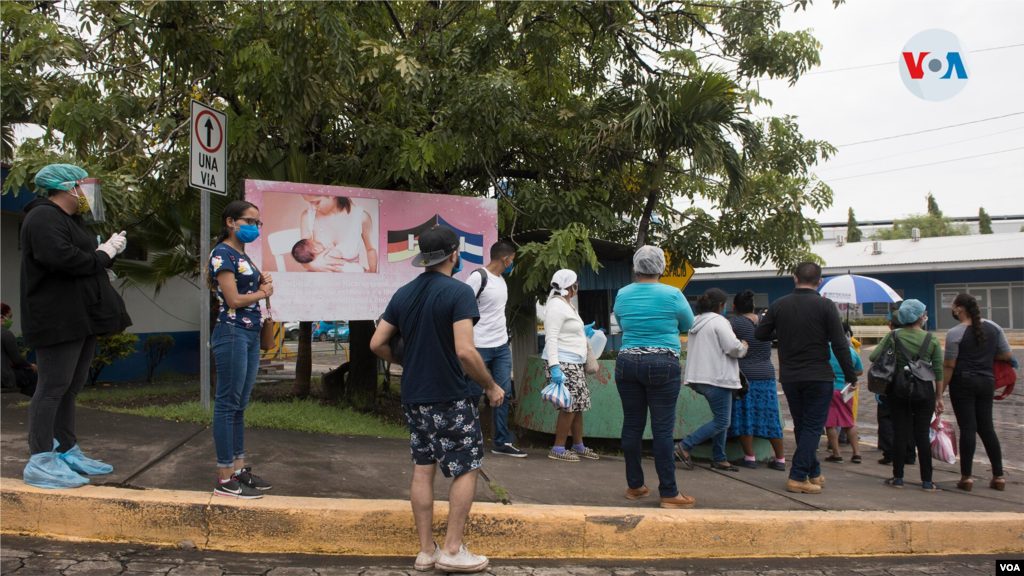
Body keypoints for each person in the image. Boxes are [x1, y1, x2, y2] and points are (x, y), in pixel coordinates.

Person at [371, 225, 505, 574]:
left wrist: (408, 361)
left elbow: (377, 344)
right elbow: (466, 351)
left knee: (423, 469)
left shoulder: (403, 294)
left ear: (424, 258)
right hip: (449, 395)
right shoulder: (458, 293)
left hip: (413, 396)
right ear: (454, 254)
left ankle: (426, 551)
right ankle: (452, 549)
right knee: (468, 466)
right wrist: (491, 386)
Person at [20, 164, 131, 488]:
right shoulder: (42, 217)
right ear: (68, 188)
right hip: (56, 318)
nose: (87, 194)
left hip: (81, 316)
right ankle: (40, 460)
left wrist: (101, 261)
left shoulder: (71, 221)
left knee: (70, 387)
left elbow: (84, 260)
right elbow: (62, 259)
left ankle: (66, 449)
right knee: (51, 388)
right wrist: (103, 254)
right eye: (84, 187)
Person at [754, 262, 856, 495]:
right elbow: (840, 345)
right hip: (819, 375)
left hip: (790, 376)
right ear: (820, 282)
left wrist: (782, 330)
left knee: (803, 425)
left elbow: (760, 334)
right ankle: (798, 476)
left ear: (795, 278)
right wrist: (851, 376)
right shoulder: (826, 306)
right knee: (812, 427)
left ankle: (814, 471)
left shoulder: (779, 305)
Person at [613, 246, 696, 509]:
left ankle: (635, 486)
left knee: (632, 425)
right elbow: (688, 324)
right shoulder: (673, 294)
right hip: (663, 362)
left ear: (636, 268)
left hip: (626, 361)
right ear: (661, 268)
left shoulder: (623, 293)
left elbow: (623, 323)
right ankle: (669, 492)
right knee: (662, 429)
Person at [207, 200, 274, 499]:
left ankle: (238, 469)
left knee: (239, 405)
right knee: (227, 404)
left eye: (257, 223)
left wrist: (262, 282)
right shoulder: (222, 253)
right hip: (232, 331)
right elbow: (233, 300)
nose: (254, 228)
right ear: (231, 222)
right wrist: (263, 292)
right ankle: (224, 477)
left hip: (248, 332)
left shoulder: (241, 254)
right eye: (249, 221)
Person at [938, 293, 1015, 492]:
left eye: (953, 307)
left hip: (963, 383)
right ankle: (998, 476)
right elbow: (1007, 354)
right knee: (987, 428)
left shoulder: (955, 333)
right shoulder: (994, 327)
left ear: (959, 309)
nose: (952, 310)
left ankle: (967, 477)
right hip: (987, 381)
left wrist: (939, 394)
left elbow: (949, 366)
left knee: (968, 428)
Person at [869, 299, 943, 492]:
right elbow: (938, 370)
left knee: (900, 433)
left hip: (898, 390)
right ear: (921, 317)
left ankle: (898, 477)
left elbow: (873, 356)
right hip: (924, 390)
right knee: (922, 435)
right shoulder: (931, 339)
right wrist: (939, 397)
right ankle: (927, 481)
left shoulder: (894, 335)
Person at [675, 288, 748, 473]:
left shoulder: (696, 321)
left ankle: (720, 458)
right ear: (721, 305)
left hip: (699, 378)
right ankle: (685, 446)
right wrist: (744, 346)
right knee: (723, 421)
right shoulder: (719, 321)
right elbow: (732, 347)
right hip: (718, 378)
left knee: (720, 417)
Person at [464, 240, 523, 457]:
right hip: (479, 346)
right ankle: (468, 438)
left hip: (501, 347)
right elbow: (462, 308)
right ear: (505, 259)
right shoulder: (478, 277)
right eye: (512, 260)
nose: (512, 263)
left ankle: (500, 442)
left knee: (503, 393)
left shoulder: (502, 280)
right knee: (473, 393)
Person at [543, 269, 599, 462]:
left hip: (575, 362)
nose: (577, 286)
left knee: (578, 405)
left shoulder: (567, 305)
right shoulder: (556, 306)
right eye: (576, 283)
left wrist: (581, 332)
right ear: (570, 286)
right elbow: (550, 338)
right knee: (569, 407)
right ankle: (558, 448)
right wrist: (554, 367)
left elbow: (566, 331)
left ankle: (578, 445)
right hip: (563, 362)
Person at [727, 290, 786, 471]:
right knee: (771, 416)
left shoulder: (733, 322)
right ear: (753, 306)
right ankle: (781, 460)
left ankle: (750, 458)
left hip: (744, 376)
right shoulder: (764, 320)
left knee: (746, 416)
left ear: (734, 307)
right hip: (767, 375)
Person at [299, 195, 377, 273]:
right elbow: (302, 256)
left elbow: (371, 249)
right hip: (319, 280)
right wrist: (315, 265)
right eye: (309, 202)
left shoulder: (361, 217)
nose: (313, 208)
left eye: (317, 202)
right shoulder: (308, 216)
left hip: (352, 280)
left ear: (332, 194)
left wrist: (372, 273)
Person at [876, 312, 915, 466]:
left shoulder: (891, 337)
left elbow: (874, 356)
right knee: (910, 418)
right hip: (914, 384)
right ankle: (910, 454)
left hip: (891, 382)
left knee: (886, 417)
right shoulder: (924, 336)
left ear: (890, 325)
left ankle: (890, 452)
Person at [824, 322, 864, 464]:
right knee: (849, 422)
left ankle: (836, 454)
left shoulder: (825, 349)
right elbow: (859, 370)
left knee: (830, 423)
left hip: (829, 388)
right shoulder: (850, 350)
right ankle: (856, 453)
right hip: (847, 390)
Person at [0, 303, 36, 393]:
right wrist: (31, 365)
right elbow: (16, 359)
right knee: (32, 376)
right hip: (3, 379)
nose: (10, 321)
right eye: (9, 317)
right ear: (1, 317)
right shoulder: (5, 333)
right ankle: (28, 402)